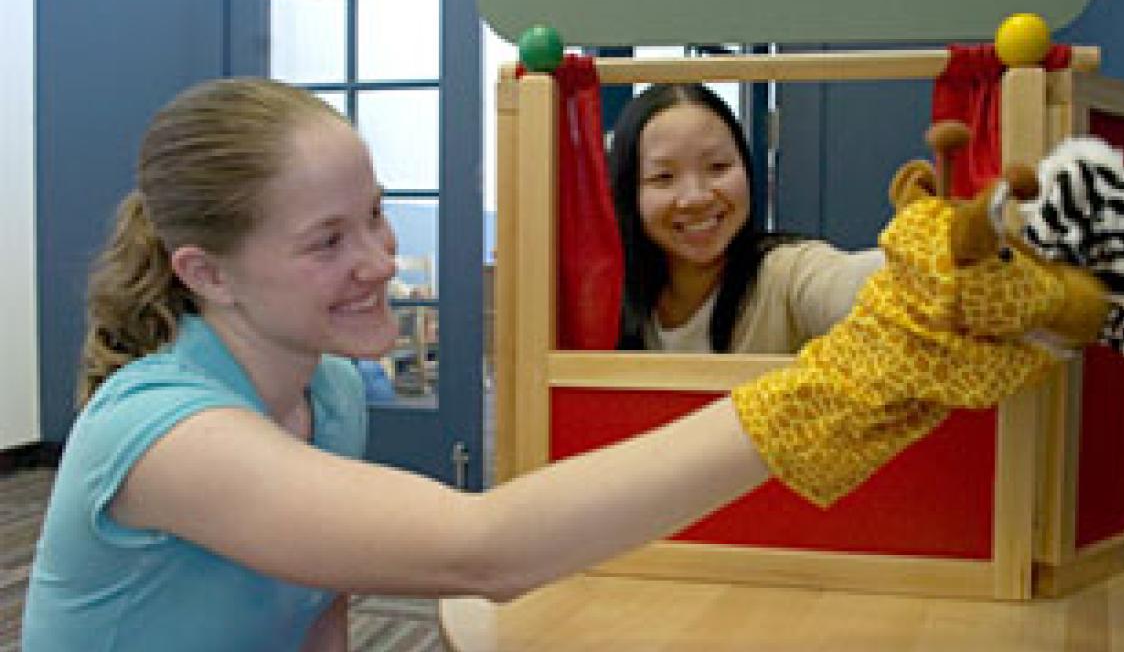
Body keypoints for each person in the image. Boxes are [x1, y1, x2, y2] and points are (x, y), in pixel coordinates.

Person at [22, 77, 1040, 651]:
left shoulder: (326, 390)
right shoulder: (163, 434)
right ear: (209, 273)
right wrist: (838, 382)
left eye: (374, 215)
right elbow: (484, 551)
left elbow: (318, 612)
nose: (379, 260)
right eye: (325, 241)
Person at [608, 82, 885, 353]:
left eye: (718, 167)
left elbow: (862, 284)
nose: (696, 197)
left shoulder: (784, 274)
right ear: (628, 191)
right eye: (663, 177)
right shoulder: (607, 299)